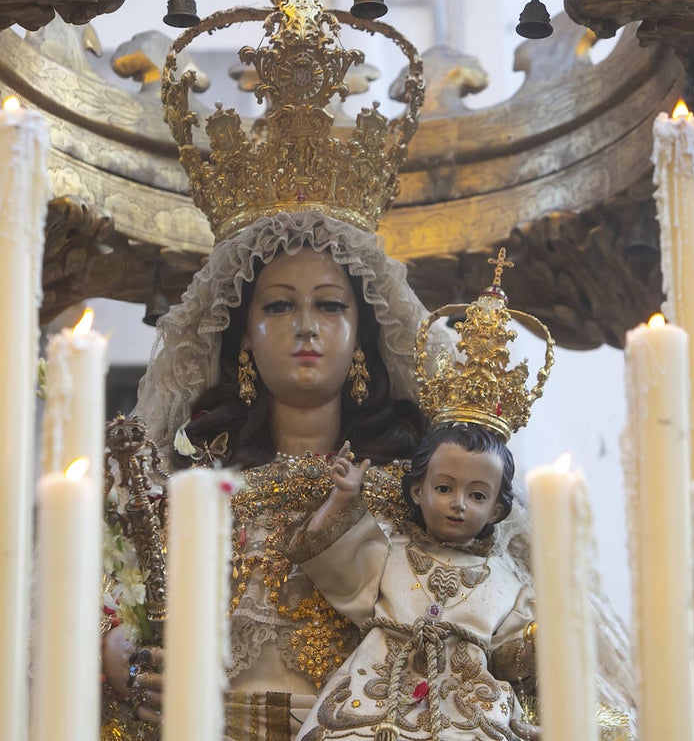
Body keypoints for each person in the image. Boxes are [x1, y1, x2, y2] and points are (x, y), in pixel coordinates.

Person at [99, 213, 452, 740]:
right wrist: (127, 659)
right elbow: (109, 607)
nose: (305, 325)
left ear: (361, 334)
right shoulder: (191, 490)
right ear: (245, 335)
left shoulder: (419, 494)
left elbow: (464, 622)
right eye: (280, 305)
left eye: (330, 305)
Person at [291, 425, 536, 741]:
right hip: (375, 689)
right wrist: (343, 496)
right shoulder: (390, 552)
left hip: (467, 702)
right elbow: (328, 554)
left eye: (477, 495)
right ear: (418, 491)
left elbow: (510, 658)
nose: (459, 503)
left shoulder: (509, 586)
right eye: (445, 488)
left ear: (496, 510)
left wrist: (533, 643)